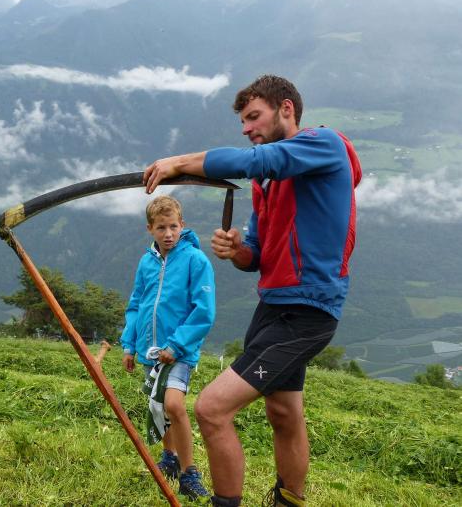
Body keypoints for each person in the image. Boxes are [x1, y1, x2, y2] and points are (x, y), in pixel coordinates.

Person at [143, 75, 362, 507]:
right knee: (283, 412)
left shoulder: (325, 144)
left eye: (253, 117)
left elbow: (254, 160)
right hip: (273, 306)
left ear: (286, 109)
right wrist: (238, 250)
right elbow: (256, 255)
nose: (247, 128)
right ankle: (290, 501)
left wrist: (177, 163)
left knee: (211, 408)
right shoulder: (269, 184)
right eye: (243, 122)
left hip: (309, 311)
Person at [120, 195, 216, 501]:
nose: (168, 233)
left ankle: (190, 473)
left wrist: (176, 345)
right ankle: (170, 456)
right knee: (158, 405)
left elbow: (204, 310)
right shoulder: (146, 262)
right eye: (161, 227)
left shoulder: (195, 260)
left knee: (174, 405)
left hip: (180, 353)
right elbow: (136, 305)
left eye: (173, 226)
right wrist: (128, 345)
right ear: (150, 228)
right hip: (151, 351)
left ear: (182, 225)